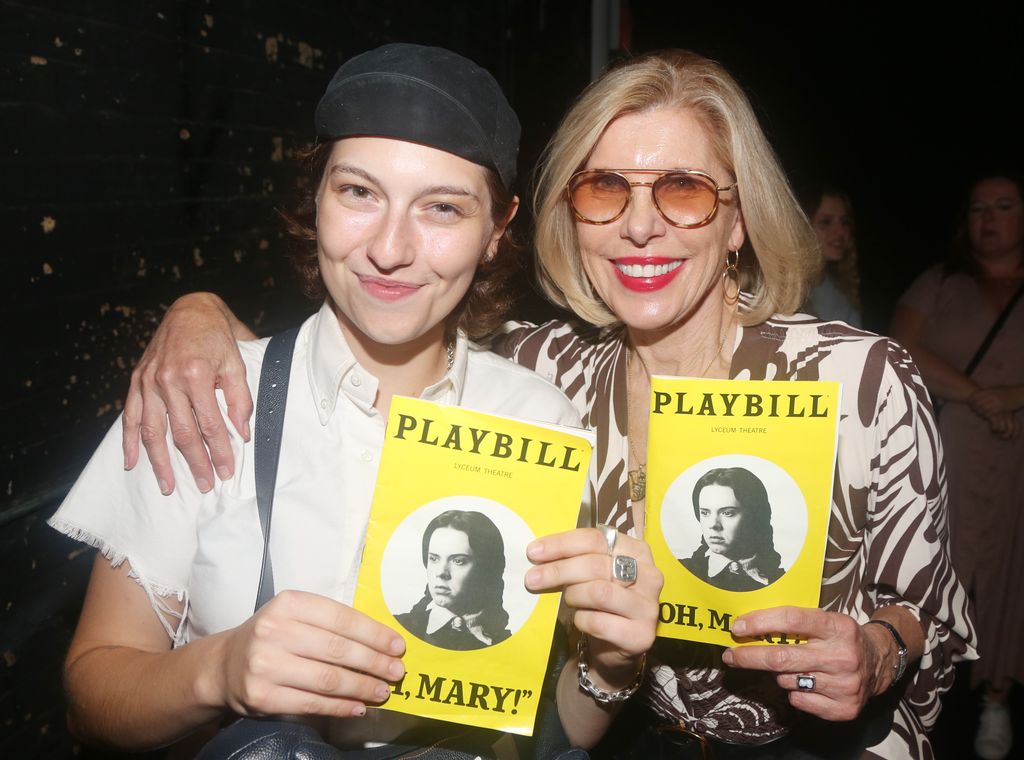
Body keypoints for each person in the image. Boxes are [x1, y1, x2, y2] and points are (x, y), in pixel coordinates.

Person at [120, 50, 975, 758]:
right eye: (606, 188)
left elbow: (932, 611)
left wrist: (876, 648)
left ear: (739, 219)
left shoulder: (859, 380)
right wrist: (202, 317)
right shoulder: (545, 372)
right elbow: (385, 332)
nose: (641, 226)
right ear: (571, 215)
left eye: (683, 189)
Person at [48, 43, 662, 758]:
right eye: (359, 193)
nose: (391, 248)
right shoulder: (203, 395)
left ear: (497, 230)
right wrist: (217, 670)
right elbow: (90, 699)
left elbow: (535, 738)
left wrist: (611, 666)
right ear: (315, 198)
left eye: (442, 207)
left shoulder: (537, 420)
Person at [891, 172, 1024, 760]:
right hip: (951, 440)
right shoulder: (940, 281)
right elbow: (900, 348)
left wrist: (1011, 398)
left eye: (1003, 206)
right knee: (944, 560)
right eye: (977, 209)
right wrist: (976, 395)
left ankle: (996, 698)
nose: (988, 218)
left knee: (1013, 569)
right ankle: (923, 693)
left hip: (1018, 443)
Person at [395, 510, 512, 650]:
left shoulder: (508, 645)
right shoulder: (396, 627)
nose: (441, 572)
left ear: (486, 568)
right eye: (434, 558)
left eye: (458, 561)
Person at [680, 468, 784, 592]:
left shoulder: (780, 581)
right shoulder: (680, 570)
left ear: (754, 516)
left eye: (728, 513)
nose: (713, 525)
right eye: (705, 513)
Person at [800, 186, 862, 326]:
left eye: (845, 222)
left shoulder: (842, 292)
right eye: (826, 222)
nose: (840, 231)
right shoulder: (780, 289)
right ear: (802, 226)